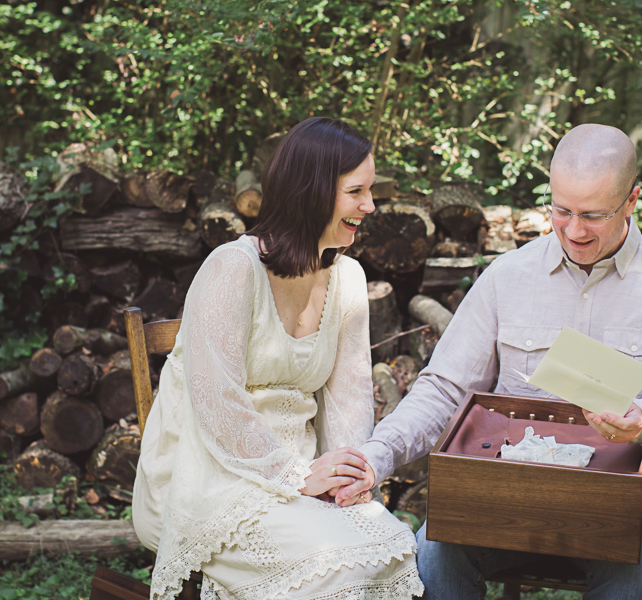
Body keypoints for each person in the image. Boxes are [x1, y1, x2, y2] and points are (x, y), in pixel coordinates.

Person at [336, 124, 642, 599]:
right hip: (509, 493)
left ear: (632, 201)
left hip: (623, 504)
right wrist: (378, 457)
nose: (574, 230)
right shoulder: (507, 277)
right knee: (435, 556)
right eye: (561, 210)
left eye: (593, 215)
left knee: (634, 580)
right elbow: (444, 389)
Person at [132, 117, 424, 600]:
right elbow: (217, 402)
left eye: (371, 192)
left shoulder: (348, 279)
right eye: (357, 192)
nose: (370, 206)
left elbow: (349, 399)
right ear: (312, 191)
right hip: (209, 476)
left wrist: (345, 480)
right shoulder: (232, 267)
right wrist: (294, 476)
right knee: (334, 569)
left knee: (394, 548)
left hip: (302, 478)